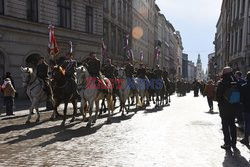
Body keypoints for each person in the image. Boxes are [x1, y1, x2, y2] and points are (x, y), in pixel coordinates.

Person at [216, 67, 239, 150]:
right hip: (234, 106)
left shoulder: (222, 82)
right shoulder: (236, 81)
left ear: (224, 73)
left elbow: (218, 96)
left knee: (225, 125)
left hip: (224, 107)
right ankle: (234, 142)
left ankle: (227, 143)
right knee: (232, 124)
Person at [240, 71, 250, 147]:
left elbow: (241, 99)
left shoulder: (243, 86)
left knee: (247, 124)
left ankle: (246, 139)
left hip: (246, 108)